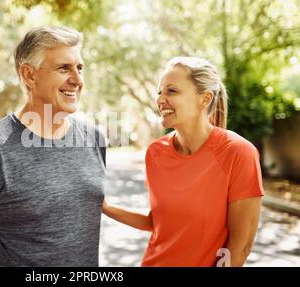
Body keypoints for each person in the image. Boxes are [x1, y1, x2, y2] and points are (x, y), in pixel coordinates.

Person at [0, 26, 106, 267]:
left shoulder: (94, 140)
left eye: (79, 68)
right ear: (29, 75)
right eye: (63, 68)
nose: (77, 79)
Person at [102, 56, 264, 267]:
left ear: (205, 99)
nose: (160, 99)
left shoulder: (238, 152)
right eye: (160, 92)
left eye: (172, 91)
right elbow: (157, 221)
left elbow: (240, 246)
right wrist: (105, 207)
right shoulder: (155, 152)